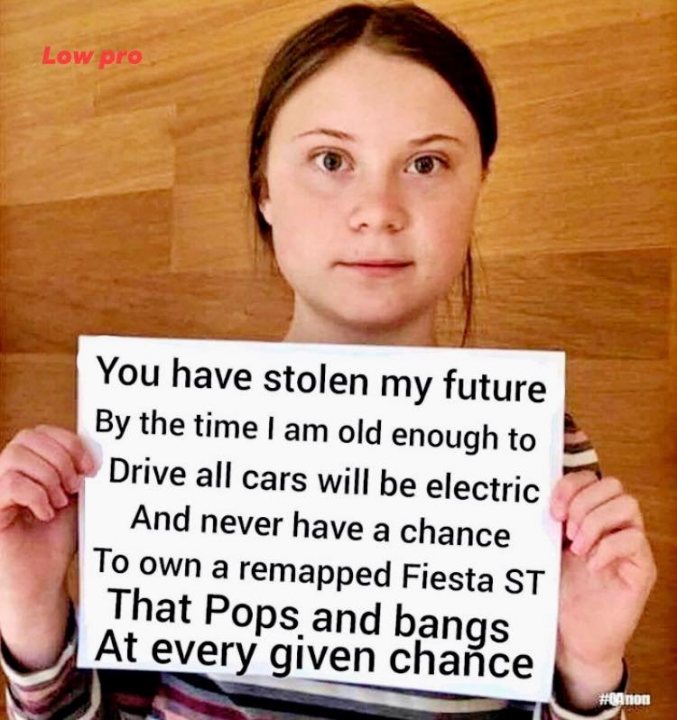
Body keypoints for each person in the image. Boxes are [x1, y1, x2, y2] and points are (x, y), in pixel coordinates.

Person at [0, 3, 657, 719]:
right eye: (331, 160)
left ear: (479, 186)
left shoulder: (540, 454)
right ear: (263, 187)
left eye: (426, 163)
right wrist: (30, 611)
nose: (377, 209)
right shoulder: (158, 436)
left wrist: (591, 673)